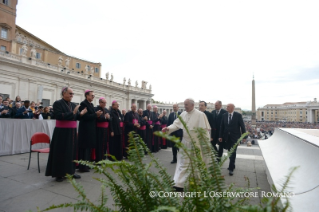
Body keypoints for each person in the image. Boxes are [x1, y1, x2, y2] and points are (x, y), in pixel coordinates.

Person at [162, 98, 211, 191]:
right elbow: (176, 124)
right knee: (182, 163)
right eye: (184, 105)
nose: (185, 107)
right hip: (185, 142)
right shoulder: (183, 114)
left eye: (186, 105)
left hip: (196, 143)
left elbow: (204, 132)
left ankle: (198, 182)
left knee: (196, 163)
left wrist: (206, 144)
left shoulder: (200, 115)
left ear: (192, 105)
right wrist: (168, 129)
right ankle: (179, 184)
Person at [45, 87, 86, 182]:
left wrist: (81, 114)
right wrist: (73, 113)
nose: (72, 95)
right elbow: (59, 116)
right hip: (61, 132)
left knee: (71, 152)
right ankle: (59, 174)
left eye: (73, 94)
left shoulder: (73, 104)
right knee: (61, 152)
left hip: (72, 132)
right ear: (64, 93)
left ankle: (71, 171)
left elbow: (76, 117)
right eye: (70, 93)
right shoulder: (57, 103)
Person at [78, 90, 103, 172]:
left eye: (93, 96)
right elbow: (85, 117)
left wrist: (97, 114)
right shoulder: (83, 104)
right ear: (87, 96)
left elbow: (92, 115)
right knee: (84, 147)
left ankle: (87, 164)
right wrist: (96, 114)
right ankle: (83, 167)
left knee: (89, 147)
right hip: (85, 129)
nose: (93, 97)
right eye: (92, 95)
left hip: (91, 128)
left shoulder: (91, 104)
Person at [219, 103, 246, 176]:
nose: (226, 107)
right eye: (226, 106)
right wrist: (220, 136)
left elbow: (242, 126)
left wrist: (244, 136)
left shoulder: (238, 115)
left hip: (235, 137)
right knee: (229, 151)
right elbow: (222, 126)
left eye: (228, 106)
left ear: (232, 108)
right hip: (226, 137)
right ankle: (232, 164)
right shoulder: (224, 115)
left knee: (233, 152)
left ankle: (231, 168)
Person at [95, 97, 110, 162]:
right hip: (98, 130)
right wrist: (105, 117)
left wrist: (108, 118)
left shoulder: (107, 110)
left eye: (105, 103)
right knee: (99, 144)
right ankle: (98, 159)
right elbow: (98, 118)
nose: (105, 104)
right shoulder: (96, 109)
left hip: (105, 130)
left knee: (104, 144)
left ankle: (103, 158)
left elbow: (110, 119)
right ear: (100, 102)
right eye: (103, 103)